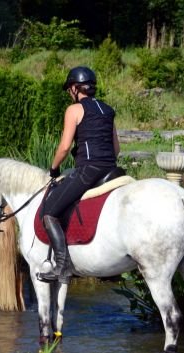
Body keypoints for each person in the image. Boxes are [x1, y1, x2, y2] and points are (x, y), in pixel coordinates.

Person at [37, 66, 120, 283]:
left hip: (88, 170)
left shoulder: (74, 110)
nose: (69, 93)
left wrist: (54, 168)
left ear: (75, 88)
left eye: (69, 90)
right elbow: (116, 148)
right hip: (112, 170)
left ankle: (62, 267)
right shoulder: (108, 110)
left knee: (49, 212)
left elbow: (65, 147)